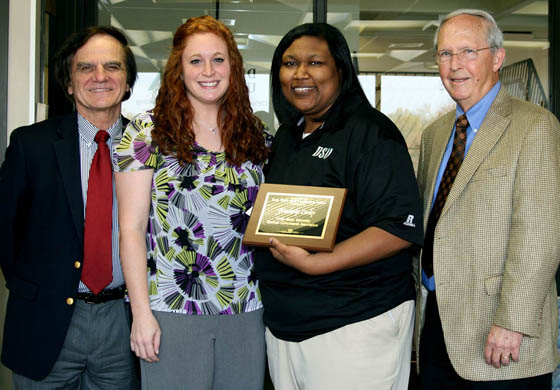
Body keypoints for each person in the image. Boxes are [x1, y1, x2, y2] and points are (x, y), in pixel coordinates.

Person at [254, 23, 423, 390]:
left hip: (354, 323)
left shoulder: (371, 133)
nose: (300, 73)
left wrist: (318, 263)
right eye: (289, 63)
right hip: (286, 326)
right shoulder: (287, 136)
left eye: (315, 62)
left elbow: (398, 228)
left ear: (341, 71)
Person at [114, 15, 270, 390]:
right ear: (178, 69)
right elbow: (131, 229)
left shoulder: (255, 136)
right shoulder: (145, 133)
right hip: (171, 309)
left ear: (233, 65)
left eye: (218, 59)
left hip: (246, 310)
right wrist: (141, 314)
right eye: (195, 61)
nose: (208, 71)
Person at [415, 9, 560, 389]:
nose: (454, 65)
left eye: (467, 52)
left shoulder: (534, 126)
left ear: (497, 58)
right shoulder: (435, 133)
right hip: (435, 326)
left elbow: (539, 238)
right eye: (445, 54)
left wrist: (512, 321)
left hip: (500, 334)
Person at [0, 26, 139, 389]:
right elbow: (5, 231)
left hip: (124, 324)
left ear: (127, 82)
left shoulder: (149, 149)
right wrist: (34, 288)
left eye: (112, 67)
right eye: (85, 68)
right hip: (44, 321)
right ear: (68, 82)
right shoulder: (31, 145)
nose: (100, 77)